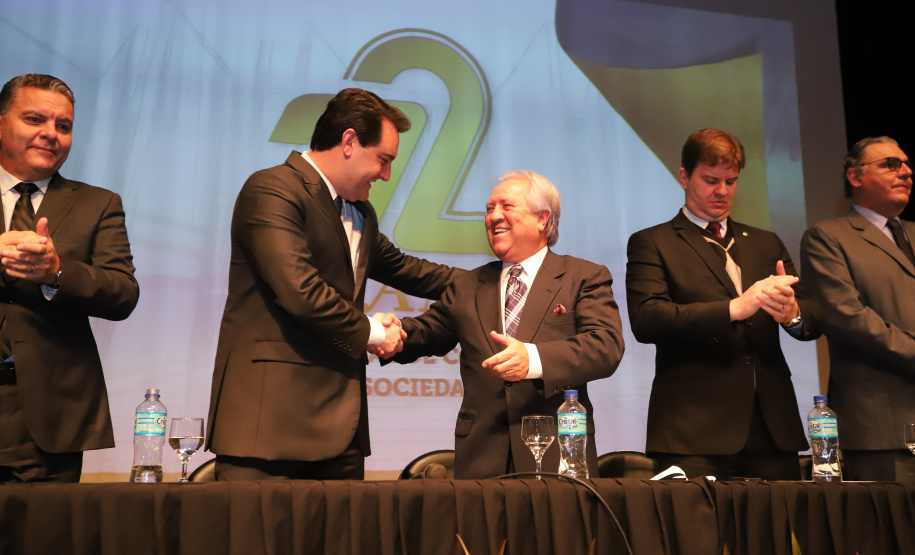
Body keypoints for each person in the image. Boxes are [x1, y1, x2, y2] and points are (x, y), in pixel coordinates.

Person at [206, 88, 463, 481]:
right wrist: (375, 332)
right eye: (384, 159)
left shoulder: (359, 211)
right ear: (348, 142)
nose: (386, 174)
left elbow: (410, 270)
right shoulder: (272, 190)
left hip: (342, 432)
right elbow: (301, 292)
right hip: (269, 428)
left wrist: (493, 279)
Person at [380, 170, 625, 479]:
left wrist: (533, 359)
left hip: (557, 457)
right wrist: (386, 333)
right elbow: (427, 333)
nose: (494, 216)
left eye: (507, 206)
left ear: (542, 218)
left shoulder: (583, 277)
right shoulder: (468, 284)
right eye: (489, 208)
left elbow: (605, 346)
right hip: (481, 459)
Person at [625, 128, 822, 480]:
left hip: (772, 428)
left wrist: (792, 314)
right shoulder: (653, 242)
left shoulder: (765, 242)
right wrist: (734, 309)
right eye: (711, 180)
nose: (722, 191)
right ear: (684, 177)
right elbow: (647, 319)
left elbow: (813, 318)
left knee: (773, 536)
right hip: (693, 429)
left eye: (730, 181)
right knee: (698, 536)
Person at [0, 74, 139, 483]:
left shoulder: (98, 203)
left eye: (63, 126)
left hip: (48, 417)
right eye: (35, 120)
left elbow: (122, 293)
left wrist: (55, 274)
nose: (50, 134)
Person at [800, 136, 915, 481]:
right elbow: (847, 316)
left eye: (907, 165)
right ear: (855, 177)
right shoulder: (828, 237)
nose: (906, 172)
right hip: (881, 427)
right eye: (890, 165)